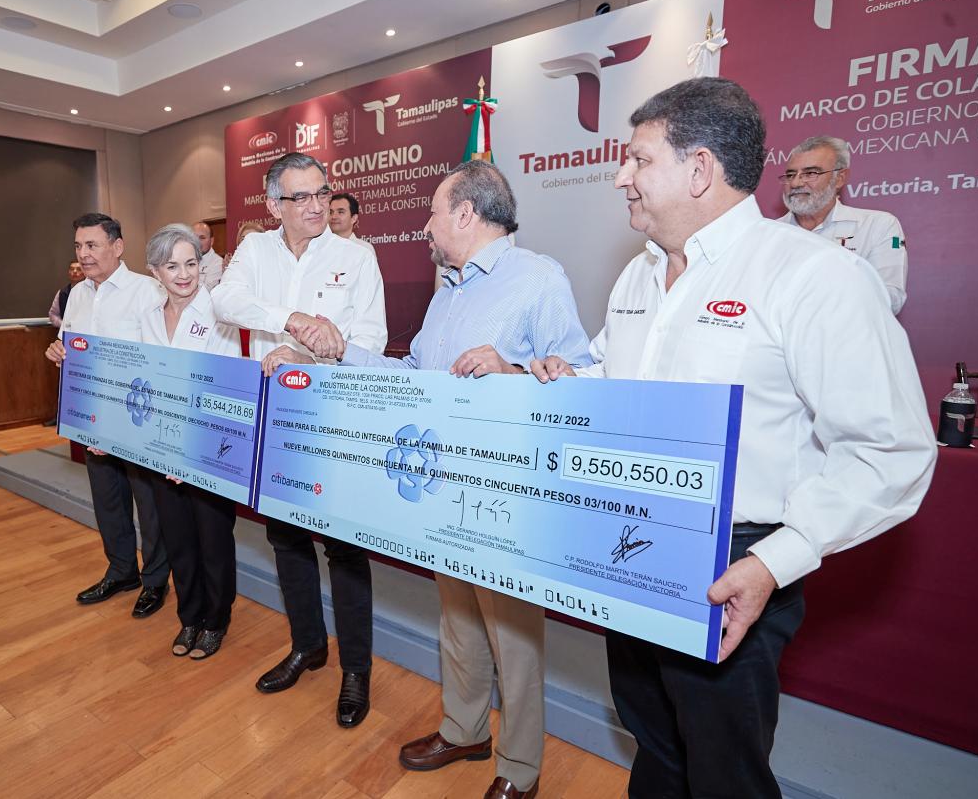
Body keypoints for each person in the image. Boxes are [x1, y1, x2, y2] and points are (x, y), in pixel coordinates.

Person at [531, 78, 936, 798]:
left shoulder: (816, 276)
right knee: (652, 739)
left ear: (699, 169)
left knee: (724, 771)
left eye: (638, 160)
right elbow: (615, 371)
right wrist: (565, 376)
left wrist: (774, 562)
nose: (621, 176)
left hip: (735, 563)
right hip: (630, 541)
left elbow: (891, 450)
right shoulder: (638, 276)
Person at [294, 161, 591, 799]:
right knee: (458, 619)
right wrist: (341, 352)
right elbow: (417, 378)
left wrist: (512, 371)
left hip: (505, 491)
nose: (425, 226)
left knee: (514, 635)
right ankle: (464, 730)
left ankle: (520, 768)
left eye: (432, 213)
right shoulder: (447, 291)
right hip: (442, 485)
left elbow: (578, 382)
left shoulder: (538, 278)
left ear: (465, 214)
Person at [212, 152, 387, 728]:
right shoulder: (255, 251)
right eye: (301, 197)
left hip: (335, 420)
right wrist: (291, 320)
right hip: (276, 419)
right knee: (286, 540)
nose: (317, 206)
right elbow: (225, 301)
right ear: (274, 205)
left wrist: (309, 356)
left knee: (344, 551)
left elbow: (370, 342)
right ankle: (307, 646)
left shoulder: (356, 256)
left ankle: (356, 670)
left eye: (322, 193)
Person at [44, 213, 171, 618]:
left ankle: (155, 580)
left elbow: (159, 358)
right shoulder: (77, 294)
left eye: (92, 245)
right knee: (107, 500)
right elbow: (69, 344)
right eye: (78, 246)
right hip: (93, 416)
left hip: (135, 417)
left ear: (117, 247)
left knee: (149, 505)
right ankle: (121, 571)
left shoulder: (147, 291)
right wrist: (58, 350)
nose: (83, 254)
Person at [134, 223, 243, 660]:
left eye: (191, 263)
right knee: (178, 539)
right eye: (172, 266)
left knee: (213, 540)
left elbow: (224, 390)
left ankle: (216, 620)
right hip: (161, 451)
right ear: (154, 271)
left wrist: (189, 455)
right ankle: (190, 616)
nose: (184, 274)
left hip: (208, 451)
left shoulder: (218, 314)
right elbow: (144, 381)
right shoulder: (146, 317)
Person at [778, 135, 908, 314]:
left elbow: (890, 298)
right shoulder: (766, 234)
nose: (795, 183)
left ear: (839, 178)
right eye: (791, 175)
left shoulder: (878, 226)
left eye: (810, 173)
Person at [48, 260, 85, 328]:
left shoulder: (92, 291)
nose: (74, 271)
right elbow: (53, 314)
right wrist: (64, 326)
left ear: (85, 272)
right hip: (67, 331)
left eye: (79, 269)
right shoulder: (62, 293)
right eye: (72, 269)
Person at [192, 221, 224, 289]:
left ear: (211, 241)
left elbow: (206, 291)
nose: (197, 242)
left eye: (202, 238)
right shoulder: (185, 260)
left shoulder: (218, 263)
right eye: (194, 238)